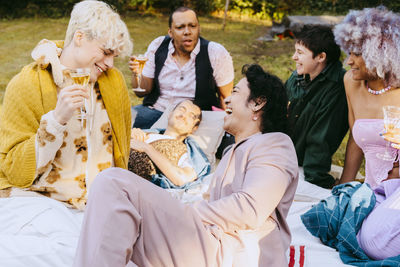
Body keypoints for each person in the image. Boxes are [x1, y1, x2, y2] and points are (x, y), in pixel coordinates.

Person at [73, 64, 298, 267]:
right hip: (208, 244)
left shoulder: (275, 144)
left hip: (232, 253)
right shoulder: (232, 152)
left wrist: (188, 212)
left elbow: (250, 209)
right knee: (120, 218)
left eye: (236, 92)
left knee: (115, 182)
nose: (227, 99)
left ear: (258, 103)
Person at [0, 0, 133, 210]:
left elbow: (120, 155)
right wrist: (55, 121)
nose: (110, 64)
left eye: (114, 56)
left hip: (100, 204)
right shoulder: (26, 84)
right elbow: (15, 170)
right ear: (79, 37)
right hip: (40, 201)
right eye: (106, 52)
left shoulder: (113, 82)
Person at [334, 7, 400, 260]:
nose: (348, 61)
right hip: (373, 191)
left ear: (383, 54)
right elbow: (355, 138)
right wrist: (344, 187)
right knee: (334, 221)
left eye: (357, 54)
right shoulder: (351, 81)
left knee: (374, 244)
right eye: (348, 52)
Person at [129, 6, 234, 129]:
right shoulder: (158, 45)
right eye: (180, 27)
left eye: (192, 26)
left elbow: (226, 98)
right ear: (170, 32)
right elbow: (142, 92)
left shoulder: (215, 52)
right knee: (118, 121)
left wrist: (227, 129)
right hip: (155, 111)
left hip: (192, 120)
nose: (187, 32)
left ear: (199, 28)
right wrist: (137, 73)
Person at [285, 25, 348, 189]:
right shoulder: (298, 76)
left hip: (306, 170)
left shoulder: (337, 88)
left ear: (321, 57)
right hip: (282, 156)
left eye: (300, 53)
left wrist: (316, 181)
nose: (294, 57)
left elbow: (322, 139)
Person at [128, 100, 210, 188]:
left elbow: (182, 179)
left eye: (191, 116)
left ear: (194, 128)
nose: (183, 116)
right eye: (182, 109)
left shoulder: (187, 153)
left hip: (134, 183)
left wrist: (147, 148)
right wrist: (128, 136)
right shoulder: (144, 134)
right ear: (170, 114)